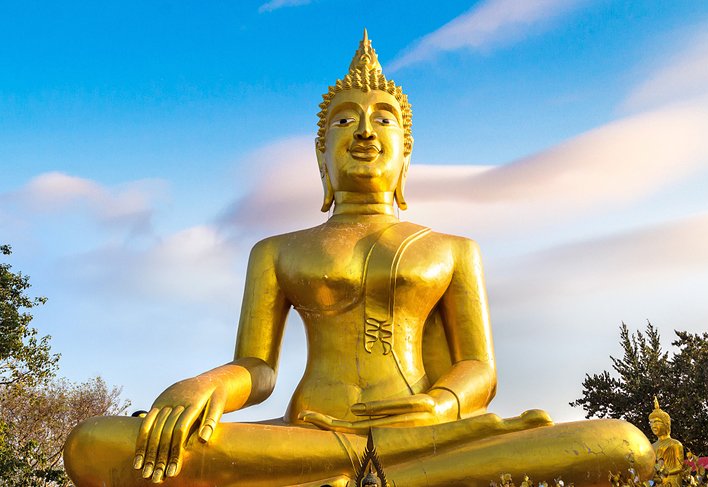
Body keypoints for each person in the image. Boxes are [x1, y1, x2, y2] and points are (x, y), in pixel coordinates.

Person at [64, 31, 654, 487]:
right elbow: (259, 368)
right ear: (321, 160)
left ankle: (376, 477)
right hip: (308, 435)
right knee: (96, 444)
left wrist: (438, 405)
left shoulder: (452, 249)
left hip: (424, 434)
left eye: (383, 120)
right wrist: (209, 383)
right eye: (344, 121)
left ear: (405, 156)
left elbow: (480, 368)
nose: (364, 131)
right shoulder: (276, 250)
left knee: (622, 444)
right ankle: (378, 475)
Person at [649, 397, 684, 487]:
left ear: (666, 424)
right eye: (651, 423)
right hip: (657, 482)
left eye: (656, 422)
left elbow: (680, 467)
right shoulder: (651, 446)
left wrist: (665, 472)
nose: (653, 425)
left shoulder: (675, 444)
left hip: (671, 482)